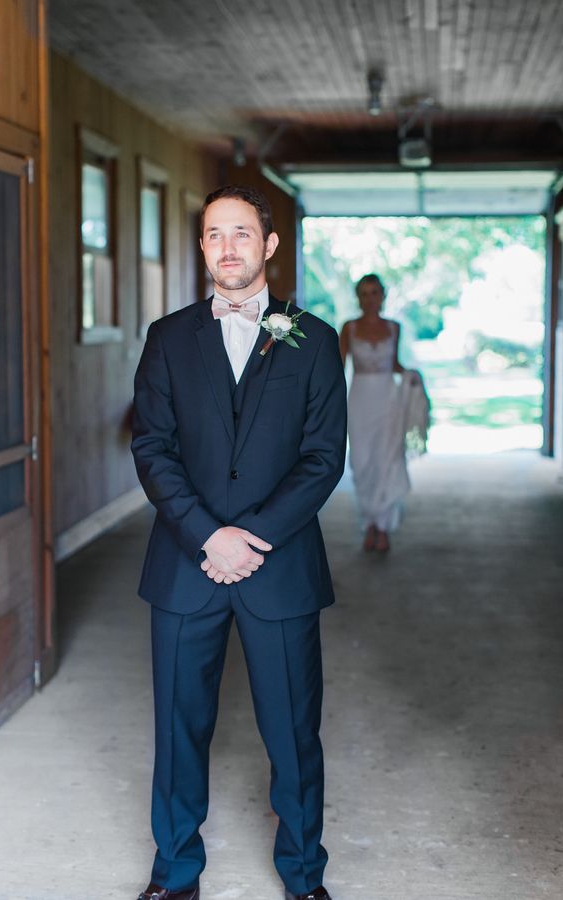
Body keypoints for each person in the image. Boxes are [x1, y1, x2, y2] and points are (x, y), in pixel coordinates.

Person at [131, 184, 347, 900]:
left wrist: (247, 538)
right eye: (215, 234)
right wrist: (206, 536)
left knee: (292, 734)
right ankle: (175, 874)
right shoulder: (167, 337)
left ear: (270, 245)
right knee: (177, 730)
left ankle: (303, 875)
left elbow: (323, 457)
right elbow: (153, 448)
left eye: (242, 233)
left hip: (278, 567)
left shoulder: (312, 338)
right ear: (202, 247)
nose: (228, 247)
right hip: (184, 564)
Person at [339, 273, 426, 554]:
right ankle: (369, 522)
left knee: (387, 459)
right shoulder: (349, 328)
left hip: (388, 400)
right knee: (363, 462)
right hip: (360, 399)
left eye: (374, 292)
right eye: (364, 293)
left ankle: (383, 526)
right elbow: (338, 368)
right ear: (358, 298)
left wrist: (412, 376)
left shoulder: (394, 328)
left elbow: (396, 364)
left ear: (383, 296)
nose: (370, 299)